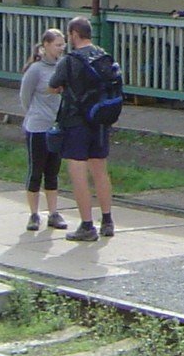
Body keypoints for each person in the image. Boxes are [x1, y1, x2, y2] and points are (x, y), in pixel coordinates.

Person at [46, 16, 115, 243]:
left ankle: (87, 225)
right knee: (100, 171)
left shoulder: (70, 61)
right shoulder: (104, 56)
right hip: (100, 120)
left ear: (74, 34)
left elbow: (53, 86)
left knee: (78, 174)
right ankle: (107, 221)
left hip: (76, 122)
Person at [18, 28, 67, 233]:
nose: (61, 48)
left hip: (56, 127)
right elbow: (25, 97)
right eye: (57, 44)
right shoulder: (36, 70)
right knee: (35, 171)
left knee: (52, 172)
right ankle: (33, 214)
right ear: (46, 45)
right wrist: (35, 114)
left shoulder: (63, 67)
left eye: (63, 44)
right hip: (37, 127)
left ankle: (53, 213)